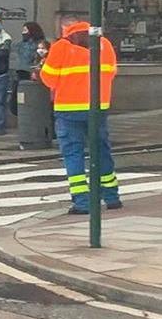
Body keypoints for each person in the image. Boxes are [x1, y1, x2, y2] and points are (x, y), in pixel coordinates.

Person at [40, 16, 123, 216]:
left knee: (73, 154)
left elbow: (48, 78)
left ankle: (82, 201)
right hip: (98, 107)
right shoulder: (104, 44)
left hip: (69, 108)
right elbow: (112, 72)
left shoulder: (61, 46)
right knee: (101, 150)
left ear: (66, 28)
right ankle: (111, 197)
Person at [10, 22, 46, 115]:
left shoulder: (39, 45)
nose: (23, 33)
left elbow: (31, 58)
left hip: (30, 74)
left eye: (25, 30)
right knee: (15, 102)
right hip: (20, 74)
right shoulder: (21, 45)